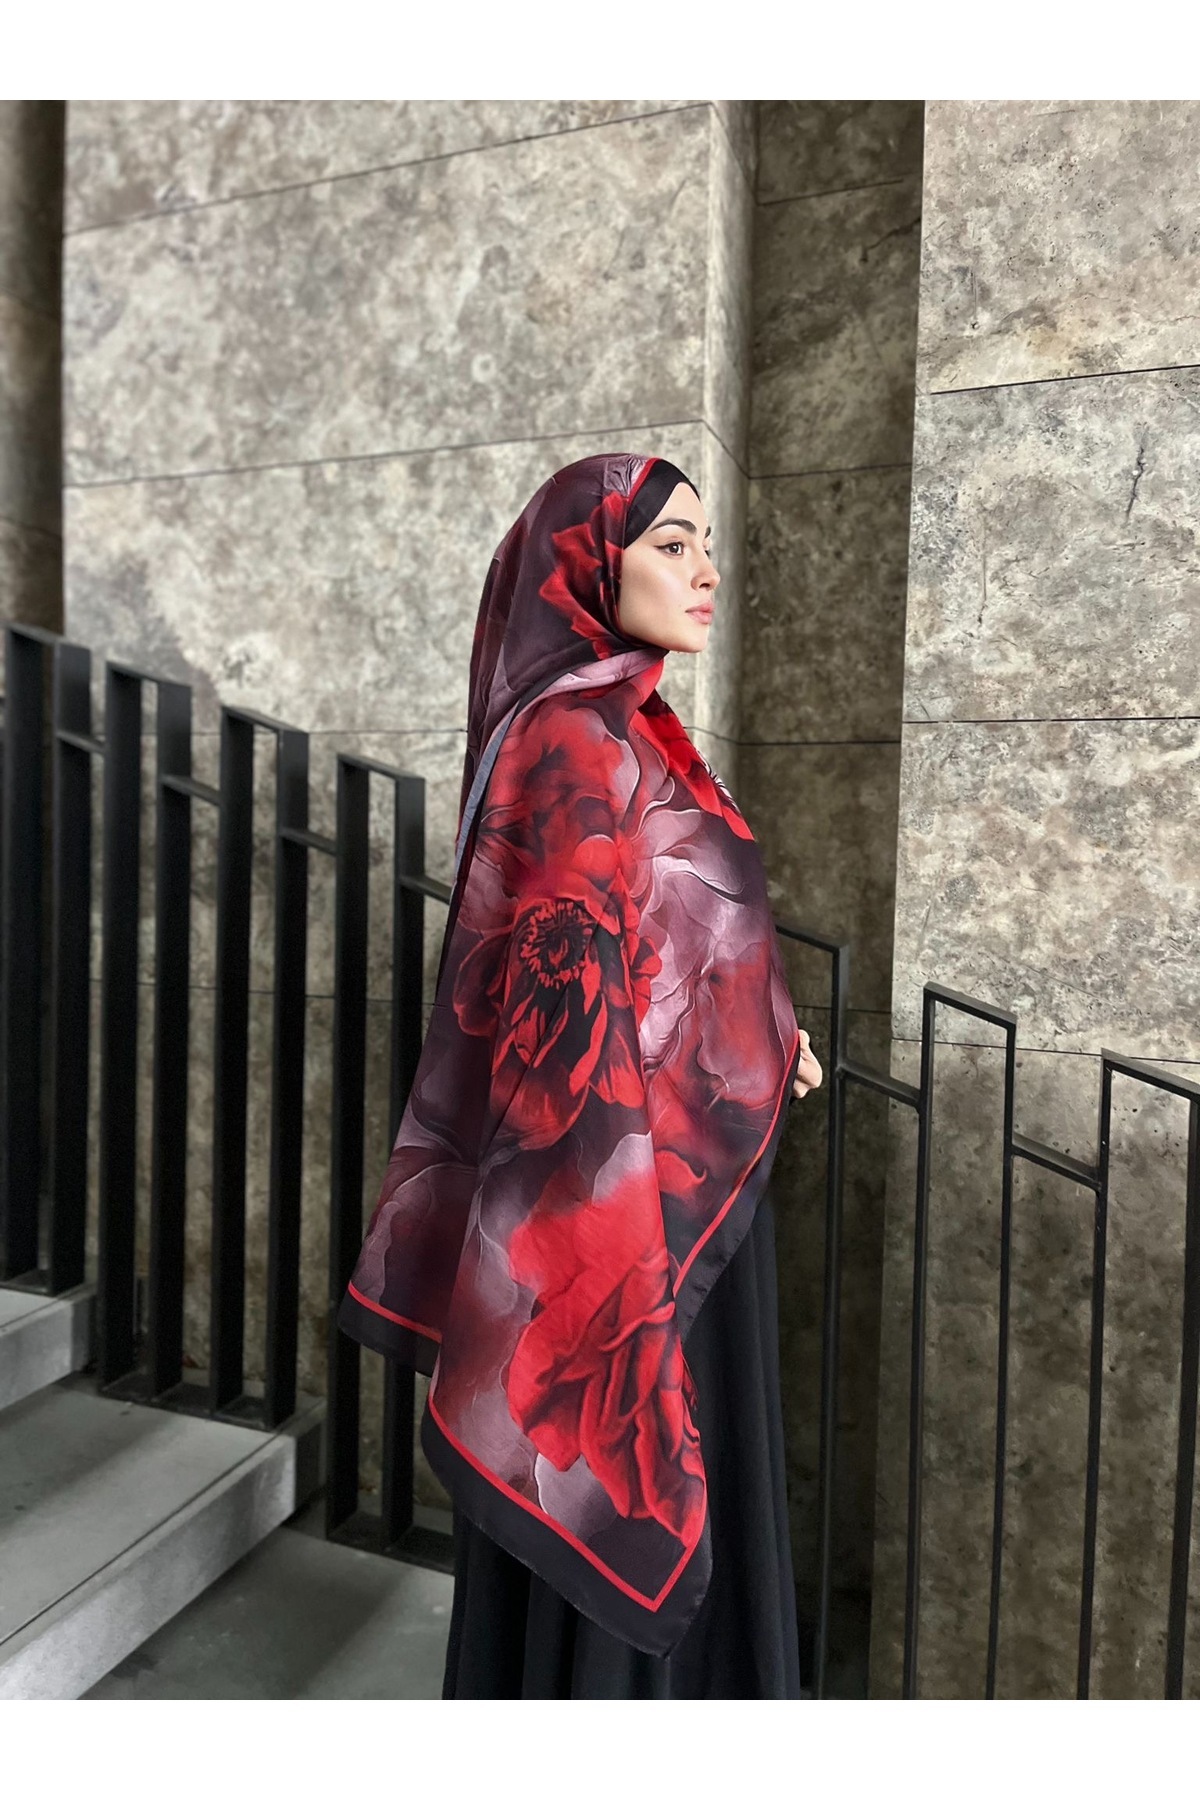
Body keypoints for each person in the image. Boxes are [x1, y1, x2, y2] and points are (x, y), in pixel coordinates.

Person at [336, 452, 823, 1699]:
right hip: (616, 1191)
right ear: (589, 565)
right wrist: (617, 1192)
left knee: (681, 1445)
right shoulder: (571, 738)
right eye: (671, 544)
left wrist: (764, 1028)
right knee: (615, 1441)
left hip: (678, 1170)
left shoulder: (640, 728)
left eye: (705, 544)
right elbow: (567, 983)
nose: (705, 571)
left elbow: (681, 941)